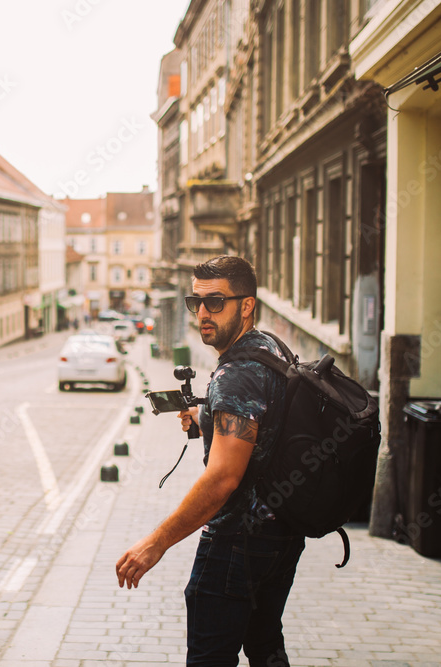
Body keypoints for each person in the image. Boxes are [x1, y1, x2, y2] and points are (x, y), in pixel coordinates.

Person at [115, 255, 303, 667]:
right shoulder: (272, 349)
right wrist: (207, 423)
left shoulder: (236, 375)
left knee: (209, 658)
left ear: (247, 305)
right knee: (266, 646)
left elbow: (222, 479)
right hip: (280, 536)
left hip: (237, 541)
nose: (202, 313)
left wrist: (156, 542)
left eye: (215, 302)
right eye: (195, 302)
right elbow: (266, 429)